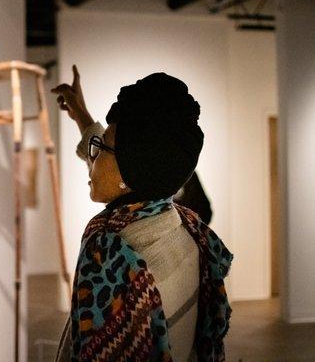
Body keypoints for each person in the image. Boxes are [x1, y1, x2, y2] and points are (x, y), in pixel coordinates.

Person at [51, 66, 232, 361]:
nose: (92, 157)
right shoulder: (179, 226)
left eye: (101, 147)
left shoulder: (115, 260)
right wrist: (81, 115)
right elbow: (116, 172)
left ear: (130, 171)